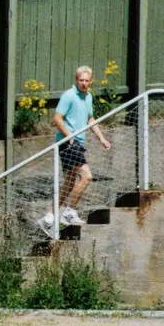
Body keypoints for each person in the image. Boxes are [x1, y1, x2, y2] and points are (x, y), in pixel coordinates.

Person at [39, 65, 111, 232]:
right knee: (86, 177)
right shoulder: (69, 95)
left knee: (70, 181)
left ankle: (49, 215)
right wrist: (69, 136)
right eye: (81, 80)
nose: (84, 83)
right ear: (76, 80)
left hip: (78, 143)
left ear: (91, 81)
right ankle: (69, 212)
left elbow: (90, 119)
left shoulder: (88, 97)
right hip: (67, 143)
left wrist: (101, 138)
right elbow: (57, 118)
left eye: (87, 80)